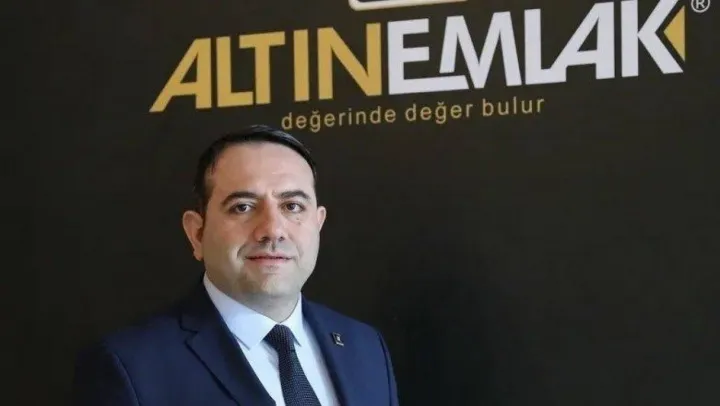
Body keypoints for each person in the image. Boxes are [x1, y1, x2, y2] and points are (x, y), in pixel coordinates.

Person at [71, 125, 400, 406]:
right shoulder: (131, 368)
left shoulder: (365, 346)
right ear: (197, 233)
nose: (272, 229)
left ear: (318, 224)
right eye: (243, 207)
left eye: (292, 206)